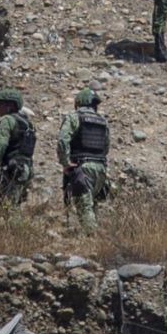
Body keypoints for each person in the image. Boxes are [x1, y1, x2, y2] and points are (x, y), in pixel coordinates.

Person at [57, 88, 110, 234]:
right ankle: (95, 235)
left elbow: (63, 140)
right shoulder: (103, 121)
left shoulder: (74, 117)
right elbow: (106, 147)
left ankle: (92, 239)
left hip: (82, 167)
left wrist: (65, 162)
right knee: (92, 204)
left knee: (84, 207)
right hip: (100, 169)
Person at [0, 88, 35, 205]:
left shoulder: (7, 120)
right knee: (14, 206)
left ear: (10, 106)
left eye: (0, 104)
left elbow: (0, 144)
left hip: (10, 170)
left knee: (4, 207)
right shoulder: (28, 124)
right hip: (25, 170)